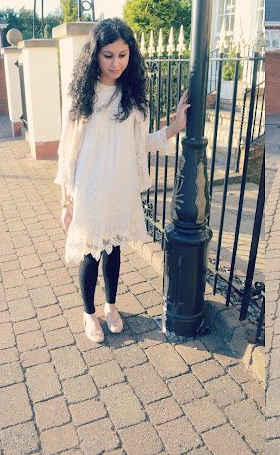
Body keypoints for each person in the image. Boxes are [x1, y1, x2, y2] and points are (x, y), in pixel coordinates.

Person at [55, 18, 190, 343]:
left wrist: (175, 127)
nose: (116, 63)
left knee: (113, 248)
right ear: (95, 55)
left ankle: (111, 306)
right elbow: (67, 149)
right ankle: (89, 314)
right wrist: (66, 200)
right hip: (89, 186)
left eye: (122, 55)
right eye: (108, 55)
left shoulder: (132, 94)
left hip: (119, 185)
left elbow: (138, 143)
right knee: (91, 253)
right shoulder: (83, 94)